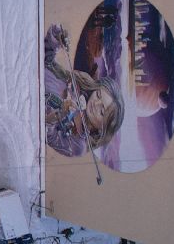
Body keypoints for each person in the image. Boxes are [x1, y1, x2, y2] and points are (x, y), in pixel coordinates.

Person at [43, 23, 124, 158]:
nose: (95, 103)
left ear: (101, 129)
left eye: (102, 111)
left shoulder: (78, 145)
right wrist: (56, 40)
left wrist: (61, 113)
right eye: (98, 95)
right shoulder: (75, 87)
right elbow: (47, 62)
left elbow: (46, 134)